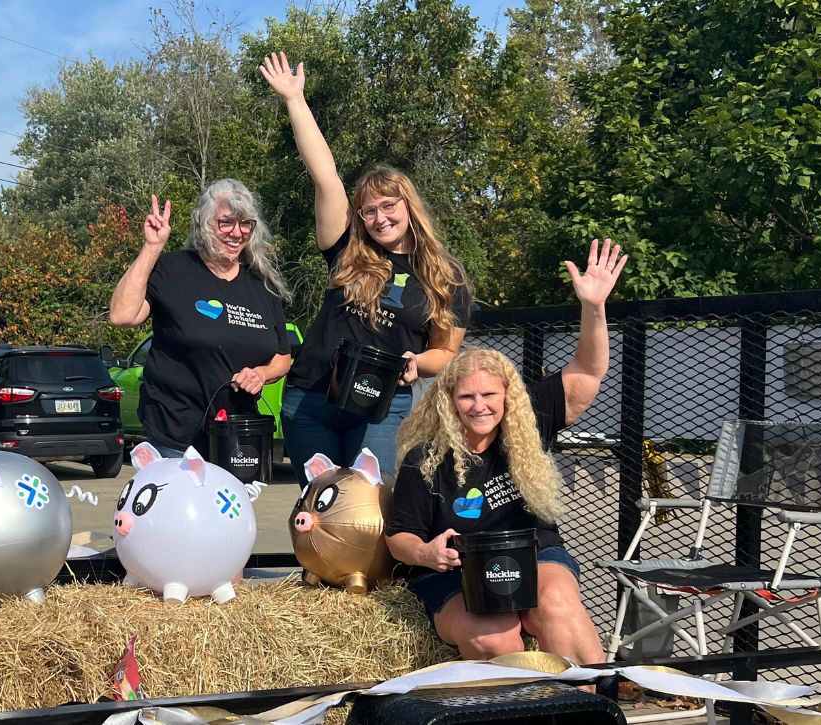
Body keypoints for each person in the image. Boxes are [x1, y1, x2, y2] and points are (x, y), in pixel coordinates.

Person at [384, 239, 627, 665]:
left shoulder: (530, 419)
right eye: (467, 397)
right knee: (492, 632)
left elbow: (589, 370)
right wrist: (426, 553)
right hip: (452, 572)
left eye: (489, 394)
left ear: (507, 395)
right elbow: (398, 538)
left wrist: (594, 306)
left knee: (554, 603)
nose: (480, 406)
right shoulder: (424, 458)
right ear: (448, 400)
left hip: (534, 551)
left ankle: (592, 698)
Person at [259, 52, 473, 482]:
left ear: (408, 207)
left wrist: (419, 362)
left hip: (380, 405)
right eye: (368, 210)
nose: (379, 218)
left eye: (388, 206)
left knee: (371, 510)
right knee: (318, 514)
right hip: (310, 400)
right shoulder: (345, 250)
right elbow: (325, 176)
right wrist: (294, 101)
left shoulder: (446, 275)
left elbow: (446, 351)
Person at [110, 180, 293, 458]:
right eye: (226, 222)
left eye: (246, 224)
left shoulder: (262, 284)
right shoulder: (173, 269)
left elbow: (282, 356)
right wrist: (152, 247)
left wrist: (261, 374)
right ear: (204, 223)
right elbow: (122, 315)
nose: (237, 232)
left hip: (236, 437)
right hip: (174, 436)